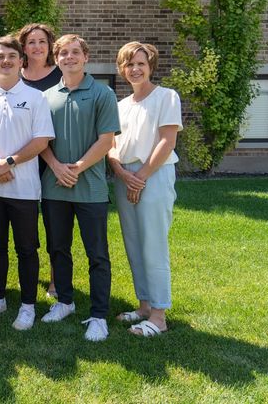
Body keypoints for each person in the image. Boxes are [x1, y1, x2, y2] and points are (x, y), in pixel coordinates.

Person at [40, 34, 120, 342]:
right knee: (58, 249)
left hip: (91, 189)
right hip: (54, 186)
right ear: (57, 59)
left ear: (85, 57)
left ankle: (99, 316)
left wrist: (76, 168)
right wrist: (57, 167)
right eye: (63, 53)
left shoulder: (102, 93)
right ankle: (65, 302)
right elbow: (42, 141)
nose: (69, 57)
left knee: (97, 254)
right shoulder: (47, 97)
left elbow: (106, 140)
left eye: (75, 52)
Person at [0, 36, 55, 329]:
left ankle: (28, 305)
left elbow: (41, 139)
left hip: (24, 187)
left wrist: (8, 163)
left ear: (21, 62)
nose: (5, 61)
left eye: (11, 56)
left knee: (26, 248)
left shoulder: (35, 98)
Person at [108, 42, 181, 337]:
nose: (135, 69)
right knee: (134, 244)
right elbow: (112, 146)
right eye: (129, 64)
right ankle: (144, 306)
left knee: (153, 244)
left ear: (151, 65)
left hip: (154, 176)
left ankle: (160, 316)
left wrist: (141, 176)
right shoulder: (121, 106)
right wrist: (123, 174)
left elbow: (167, 141)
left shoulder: (166, 97)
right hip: (126, 177)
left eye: (140, 63)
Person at [18, 22, 62, 299]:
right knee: (25, 224)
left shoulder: (60, 75)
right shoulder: (14, 75)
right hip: (22, 161)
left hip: (53, 158)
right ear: (23, 47)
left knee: (55, 223)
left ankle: (56, 282)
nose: (37, 47)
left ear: (50, 46)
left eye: (42, 42)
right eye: (31, 42)